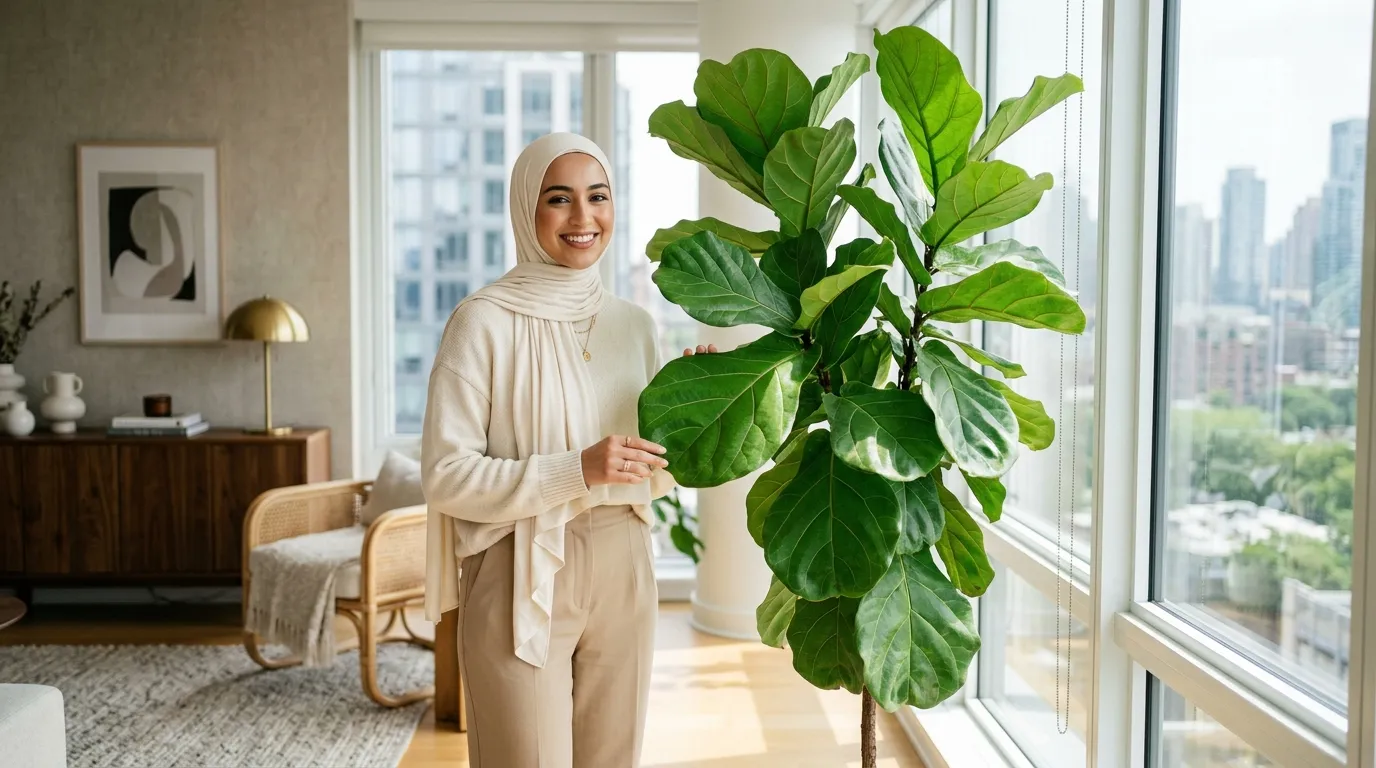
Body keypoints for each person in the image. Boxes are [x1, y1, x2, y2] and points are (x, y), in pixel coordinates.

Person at [420, 132, 714, 767]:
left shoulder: (636, 325)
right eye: (559, 199)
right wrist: (575, 469)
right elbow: (446, 475)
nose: (583, 217)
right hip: (515, 561)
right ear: (526, 208)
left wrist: (698, 405)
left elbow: (654, 467)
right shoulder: (481, 322)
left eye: (598, 196)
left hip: (623, 558)